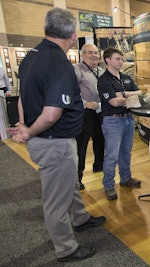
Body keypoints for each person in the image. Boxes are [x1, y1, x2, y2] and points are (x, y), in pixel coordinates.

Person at [6, 8, 106, 262]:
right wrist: (28, 131)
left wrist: (23, 123)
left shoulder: (32, 56)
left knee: (68, 183)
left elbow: (22, 98)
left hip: (51, 140)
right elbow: (51, 114)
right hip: (54, 142)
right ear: (73, 36)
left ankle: (80, 218)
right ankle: (66, 248)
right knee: (55, 200)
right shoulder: (59, 63)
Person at [97, 47, 142, 200]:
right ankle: (109, 185)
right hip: (113, 121)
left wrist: (122, 94)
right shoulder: (103, 80)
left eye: (122, 59)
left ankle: (125, 178)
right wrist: (128, 97)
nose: (121, 61)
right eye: (118, 59)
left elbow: (139, 94)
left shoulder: (126, 78)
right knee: (111, 156)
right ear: (107, 60)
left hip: (128, 119)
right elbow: (114, 102)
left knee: (125, 153)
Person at [74, 43, 105, 190]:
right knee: (82, 145)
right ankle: (78, 178)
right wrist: (85, 103)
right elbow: (72, 91)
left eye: (96, 53)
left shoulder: (101, 71)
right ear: (83, 55)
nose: (94, 56)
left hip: (100, 112)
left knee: (100, 140)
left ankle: (99, 166)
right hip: (85, 113)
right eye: (90, 53)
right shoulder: (76, 70)